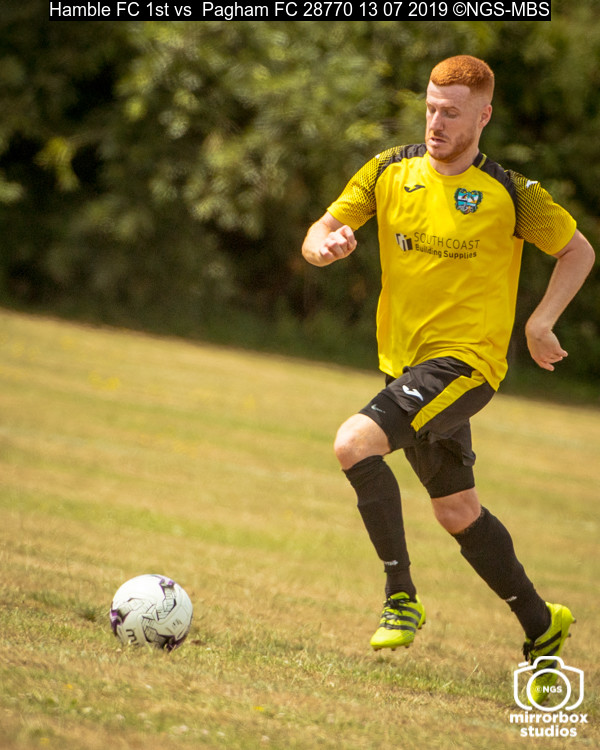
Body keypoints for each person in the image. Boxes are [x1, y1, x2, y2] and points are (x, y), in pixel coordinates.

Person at [301, 55, 595, 703]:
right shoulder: (389, 170)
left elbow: (577, 250)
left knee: (353, 443)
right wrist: (323, 246)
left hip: (468, 364)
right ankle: (542, 625)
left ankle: (400, 596)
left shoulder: (511, 193)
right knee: (457, 511)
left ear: (483, 116)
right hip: (404, 363)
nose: (436, 123)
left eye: (452, 113)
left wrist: (541, 321)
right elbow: (323, 228)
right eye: (431, 108)